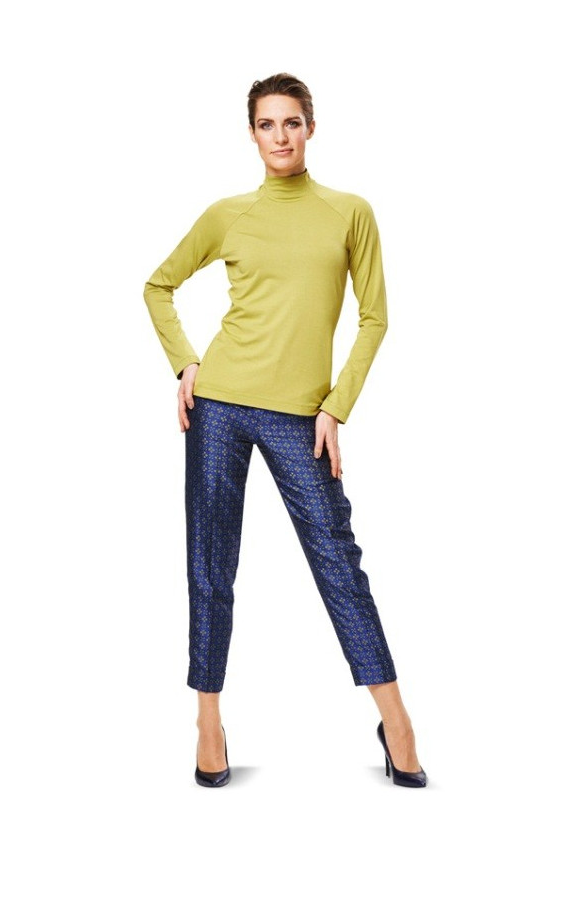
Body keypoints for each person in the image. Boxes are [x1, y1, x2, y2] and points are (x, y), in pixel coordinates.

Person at [143, 73, 426, 788]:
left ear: (311, 128)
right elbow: (157, 285)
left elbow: (375, 318)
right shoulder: (228, 214)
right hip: (219, 406)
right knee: (210, 566)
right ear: (252, 134)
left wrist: (336, 406)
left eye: (292, 122)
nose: (280, 136)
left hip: (302, 416)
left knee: (338, 563)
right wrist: (186, 363)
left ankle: (396, 721)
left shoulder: (349, 212)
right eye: (267, 124)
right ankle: (208, 721)